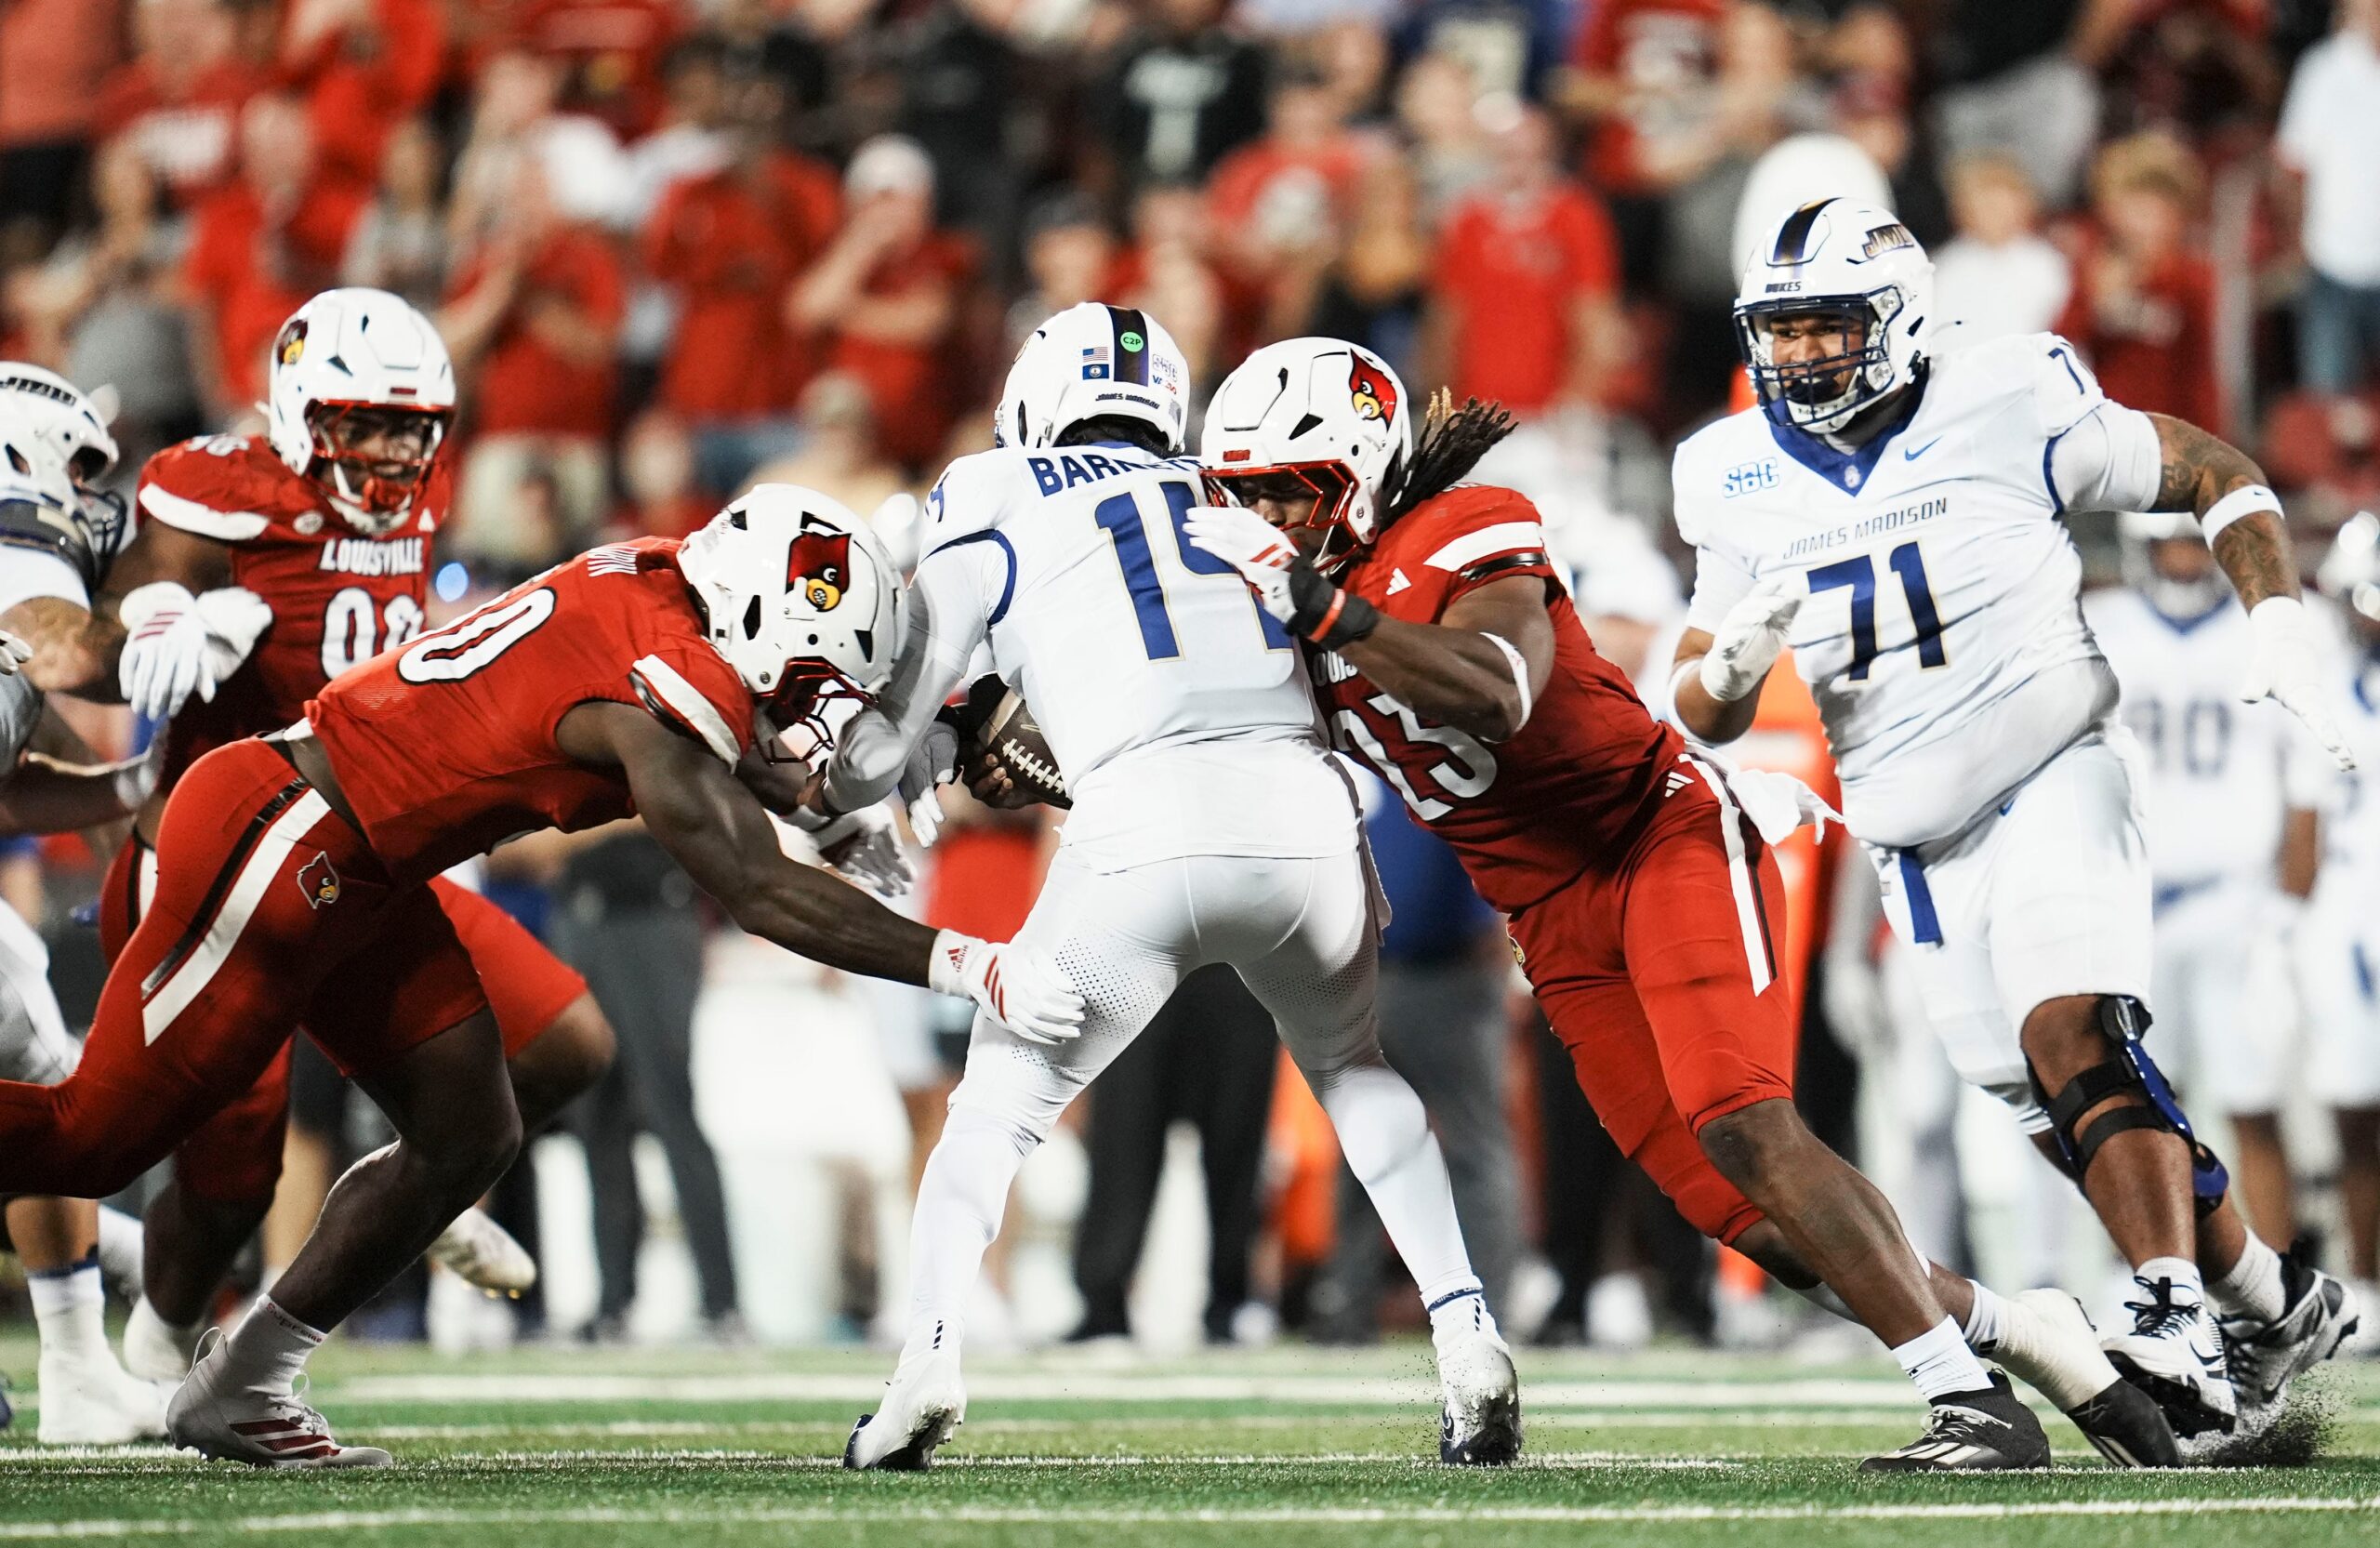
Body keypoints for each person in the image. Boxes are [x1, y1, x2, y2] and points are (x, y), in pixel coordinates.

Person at [1185, 335, 2169, 1471]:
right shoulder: (1285, 613)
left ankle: (1970, 1404)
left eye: (1289, 490)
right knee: (1735, 1211)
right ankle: (2030, 1337)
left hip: (1657, 839)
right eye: (1244, 494)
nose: (1266, 518)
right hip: (1548, 916)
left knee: (1743, 1124)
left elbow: (1498, 692)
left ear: (1361, 466)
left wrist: (1323, 611)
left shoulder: (1462, 526)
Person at [0, 485, 1079, 1467]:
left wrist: (920, 747)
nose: (808, 707)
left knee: (469, 1131)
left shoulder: (663, 576)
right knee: (97, 1138)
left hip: (362, 860)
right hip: (280, 838)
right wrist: (970, 965)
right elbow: (758, 889)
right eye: (807, 678)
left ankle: (243, 1382)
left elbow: (742, 745)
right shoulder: (661, 689)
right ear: (753, 618)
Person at [1665, 197, 2358, 1450]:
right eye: (1782, 331)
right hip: (1912, 841)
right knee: (2060, 1106)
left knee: (2069, 1029)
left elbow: (2214, 470)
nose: (1802, 356)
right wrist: (1731, 666)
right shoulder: (1725, 470)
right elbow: (1699, 706)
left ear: (1899, 319)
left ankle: (2172, 1312)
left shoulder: (2008, 394)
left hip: (2053, 766)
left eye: (1828, 327)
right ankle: (2274, 1296)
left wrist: (2275, 617)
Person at [818, 302, 1518, 1472]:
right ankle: (1468, 1334)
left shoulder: (989, 487)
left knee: (993, 1108)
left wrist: (890, 756)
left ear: (1034, 400)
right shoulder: (1232, 488)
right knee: (1353, 1070)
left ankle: (925, 1364)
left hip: (1141, 819)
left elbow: (891, 735)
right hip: (1311, 821)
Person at [51, 290, 609, 1385]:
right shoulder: (226, 493)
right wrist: (159, 620)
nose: (396, 454)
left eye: (412, 429)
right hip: (221, 867)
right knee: (229, 1180)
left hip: (366, 859)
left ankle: (418, 1183)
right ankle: (157, 1346)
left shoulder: (419, 496)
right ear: (302, 415)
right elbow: (106, 627)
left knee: (564, 1047)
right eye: (367, 426)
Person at [0, 366, 173, 1444]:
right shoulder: (17, 571)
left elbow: (5, 777)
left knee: (27, 1044)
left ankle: (77, 1364)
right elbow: (66, 647)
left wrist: (130, 785)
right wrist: (166, 638)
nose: (89, 500)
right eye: (77, 471)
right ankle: (81, 1349)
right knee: (30, 1054)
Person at [2085, 511, 2328, 1250]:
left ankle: (2280, 1277)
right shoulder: (2102, 626)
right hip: (2133, 901)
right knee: (2140, 1111)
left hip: (2236, 904)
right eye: (2170, 545)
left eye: (2196, 544)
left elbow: (2306, 786)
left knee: (2253, 1103)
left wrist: (2287, 913)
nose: (2186, 560)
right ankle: (2154, 1276)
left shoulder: (2264, 632)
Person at [2307, 513, 2380, 1342]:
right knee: (2354, 1109)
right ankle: (2365, 1279)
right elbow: (2301, 817)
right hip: (2347, 906)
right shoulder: (2322, 680)